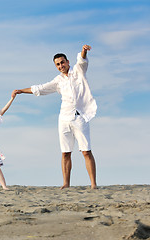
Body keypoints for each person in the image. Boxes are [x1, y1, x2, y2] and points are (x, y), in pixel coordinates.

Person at [13, 45, 98, 189]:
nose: (61, 66)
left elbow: (82, 60)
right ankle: (66, 183)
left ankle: (93, 184)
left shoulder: (78, 70)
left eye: (62, 62)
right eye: (58, 64)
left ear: (68, 62)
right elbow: (40, 88)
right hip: (64, 119)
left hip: (80, 117)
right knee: (65, 153)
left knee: (86, 151)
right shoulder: (58, 80)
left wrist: (84, 50)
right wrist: (21, 90)